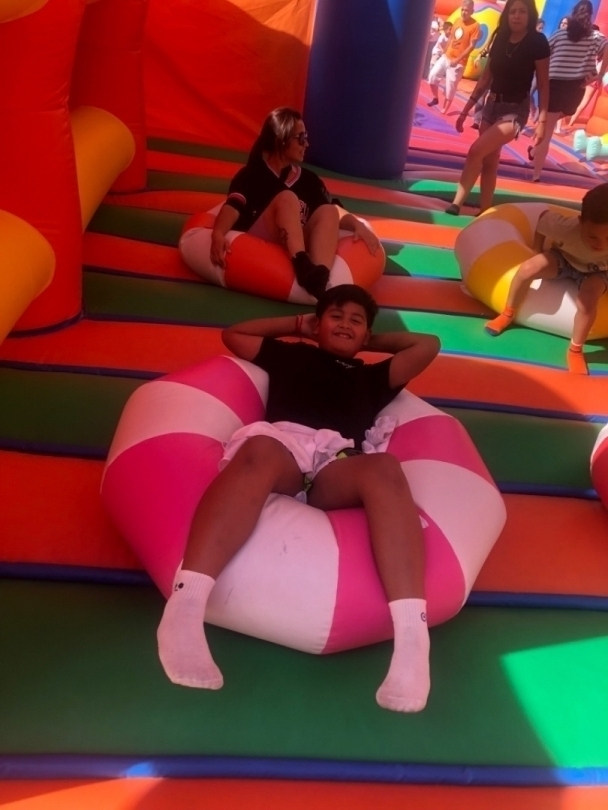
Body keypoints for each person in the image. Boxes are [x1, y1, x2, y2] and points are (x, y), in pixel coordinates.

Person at [157, 284, 441, 712]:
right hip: (284, 448)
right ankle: (186, 605)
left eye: (355, 320)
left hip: (336, 463)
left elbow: (428, 344)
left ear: (367, 333)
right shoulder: (290, 355)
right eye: (336, 316)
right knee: (259, 450)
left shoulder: (372, 377)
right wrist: (298, 326)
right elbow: (234, 334)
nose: (344, 324)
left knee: (385, 468)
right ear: (316, 323)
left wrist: (366, 340)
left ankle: (413, 639)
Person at [209, 108, 379, 300]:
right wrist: (218, 233)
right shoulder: (252, 175)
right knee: (287, 198)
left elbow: (335, 210)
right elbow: (233, 207)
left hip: (294, 242)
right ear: (282, 139)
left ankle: (319, 279)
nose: (306, 144)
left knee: (329, 210)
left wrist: (357, 225)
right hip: (260, 244)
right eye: (301, 138)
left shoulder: (309, 180)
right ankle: (301, 264)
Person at [484, 183, 608, 374]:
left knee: (587, 300)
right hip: (565, 259)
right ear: (581, 222)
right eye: (592, 237)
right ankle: (508, 313)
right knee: (527, 269)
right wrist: (536, 250)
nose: (600, 244)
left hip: (598, 271)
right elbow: (543, 219)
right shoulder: (566, 228)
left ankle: (575, 350)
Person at [446, 0, 550, 216]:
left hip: (515, 110)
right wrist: (465, 111)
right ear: (507, 15)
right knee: (490, 161)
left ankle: (456, 203)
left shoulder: (537, 42)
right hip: (491, 105)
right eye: (513, 12)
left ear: (530, 15)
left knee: (476, 151)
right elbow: (485, 78)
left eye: (522, 11)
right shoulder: (500, 38)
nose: (517, 16)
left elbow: (543, 83)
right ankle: (485, 211)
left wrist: (542, 122)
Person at [530, 1, 608, 181]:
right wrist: (600, 73)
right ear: (590, 16)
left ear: (573, 14)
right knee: (565, 114)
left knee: (547, 131)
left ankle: (536, 174)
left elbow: (543, 53)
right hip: (575, 87)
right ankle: (535, 153)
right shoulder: (595, 37)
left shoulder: (560, 34)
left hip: (555, 84)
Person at [428, 0, 481, 115]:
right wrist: (444, 51)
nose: (464, 12)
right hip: (447, 56)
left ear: (472, 11)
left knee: (450, 87)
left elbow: (471, 46)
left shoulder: (475, 26)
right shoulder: (457, 21)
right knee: (432, 77)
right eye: (462, 10)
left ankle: (445, 109)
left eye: (467, 10)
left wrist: (458, 59)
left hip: (459, 62)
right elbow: (451, 38)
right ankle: (436, 97)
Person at [559, 25, 607, 132]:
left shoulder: (586, 46)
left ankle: (562, 122)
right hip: (593, 77)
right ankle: (569, 123)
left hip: (583, 74)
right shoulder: (600, 48)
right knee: (582, 102)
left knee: (570, 98)